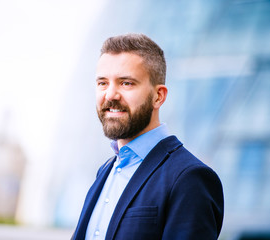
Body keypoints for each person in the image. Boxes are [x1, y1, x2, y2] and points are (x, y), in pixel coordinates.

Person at [72, 33, 224, 240]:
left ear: (158, 96)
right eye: (102, 83)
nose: (110, 95)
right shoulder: (106, 170)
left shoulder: (189, 178)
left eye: (126, 83)